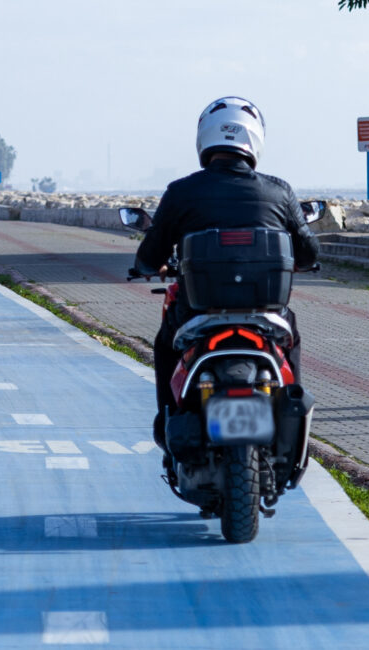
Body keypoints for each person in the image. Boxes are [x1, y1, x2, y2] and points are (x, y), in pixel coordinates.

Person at [132, 96, 319, 449]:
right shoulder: (278, 191)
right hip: (267, 313)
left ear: (205, 138)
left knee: (164, 343)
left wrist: (149, 265)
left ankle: (167, 417)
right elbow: (309, 252)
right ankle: (293, 411)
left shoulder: (181, 192)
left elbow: (149, 255)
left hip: (196, 312)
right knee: (290, 333)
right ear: (255, 140)